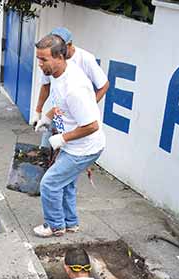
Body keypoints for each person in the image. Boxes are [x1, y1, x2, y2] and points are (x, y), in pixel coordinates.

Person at [32, 34, 105, 237]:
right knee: (66, 183)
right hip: (75, 145)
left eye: (44, 59)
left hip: (84, 148)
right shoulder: (57, 75)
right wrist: (45, 117)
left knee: (50, 183)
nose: (40, 64)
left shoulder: (75, 88)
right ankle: (71, 223)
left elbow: (92, 126)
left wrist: (62, 138)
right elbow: (60, 104)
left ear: (60, 57)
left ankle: (55, 226)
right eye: (38, 58)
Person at [32, 28, 109, 151]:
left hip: (76, 114)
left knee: (73, 150)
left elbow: (103, 85)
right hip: (58, 111)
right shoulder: (49, 60)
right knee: (46, 148)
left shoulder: (85, 59)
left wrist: (86, 107)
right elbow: (46, 85)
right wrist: (38, 111)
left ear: (69, 45)